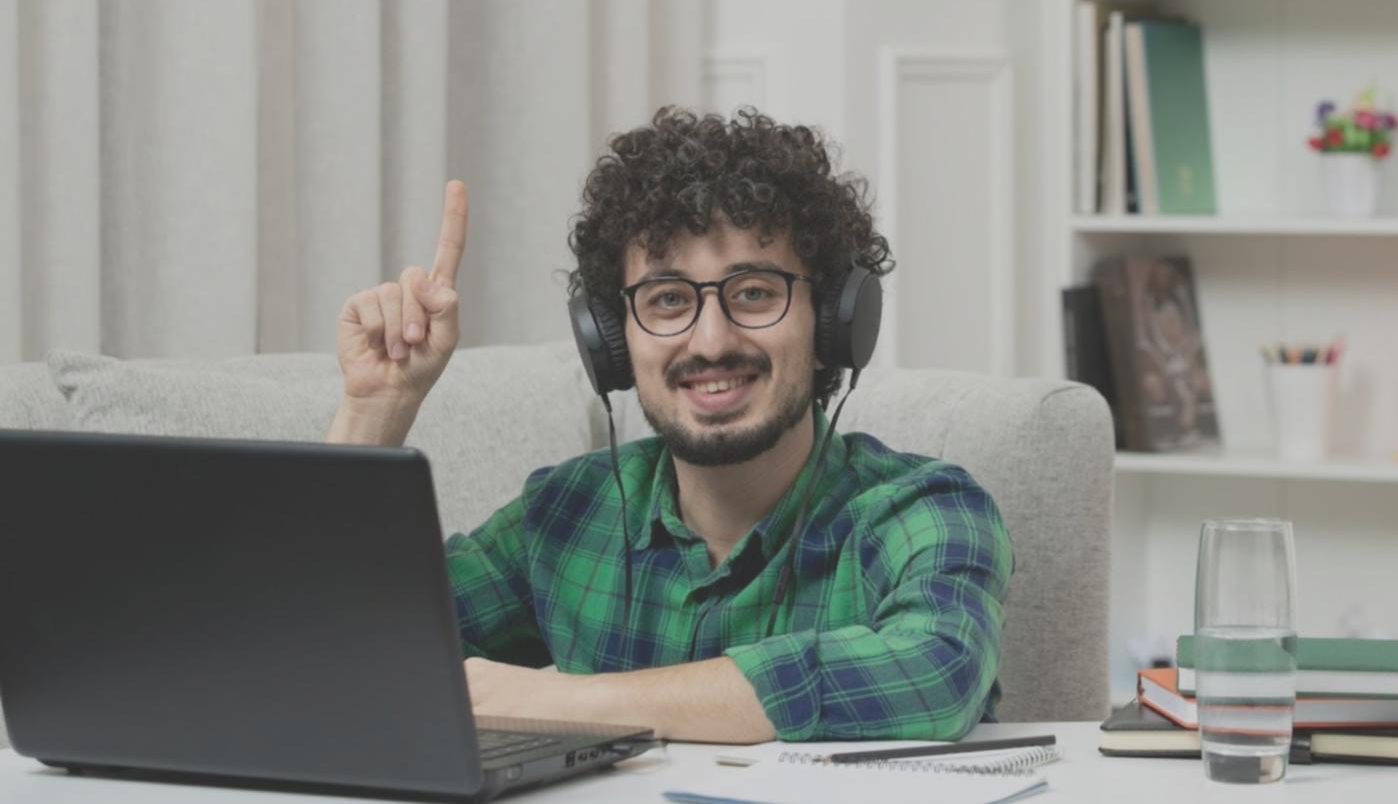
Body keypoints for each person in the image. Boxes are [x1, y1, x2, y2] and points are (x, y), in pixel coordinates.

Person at [327, 107, 1013, 743]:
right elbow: (336, 644)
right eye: (666, 299)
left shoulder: (927, 510)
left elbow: (935, 672)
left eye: (753, 292)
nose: (710, 340)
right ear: (612, 339)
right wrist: (375, 408)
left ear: (835, 321)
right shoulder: (565, 514)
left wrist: (562, 702)